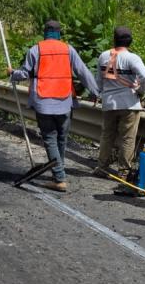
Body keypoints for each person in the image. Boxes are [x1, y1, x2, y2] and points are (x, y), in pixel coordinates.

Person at [7, 20, 99, 192]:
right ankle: (59, 171)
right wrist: (95, 92)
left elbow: (24, 74)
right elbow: (83, 71)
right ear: (59, 33)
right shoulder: (68, 49)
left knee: (50, 139)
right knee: (61, 138)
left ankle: (59, 178)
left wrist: (13, 74)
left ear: (45, 32)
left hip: (43, 102)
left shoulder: (36, 49)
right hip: (64, 101)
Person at [94, 26, 145, 183]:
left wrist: (101, 94)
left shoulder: (103, 56)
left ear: (114, 40)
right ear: (130, 41)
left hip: (109, 103)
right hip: (128, 104)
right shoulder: (132, 58)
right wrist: (140, 91)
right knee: (127, 138)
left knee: (107, 136)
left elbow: (99, 81)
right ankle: (124, 172)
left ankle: (102, 167)